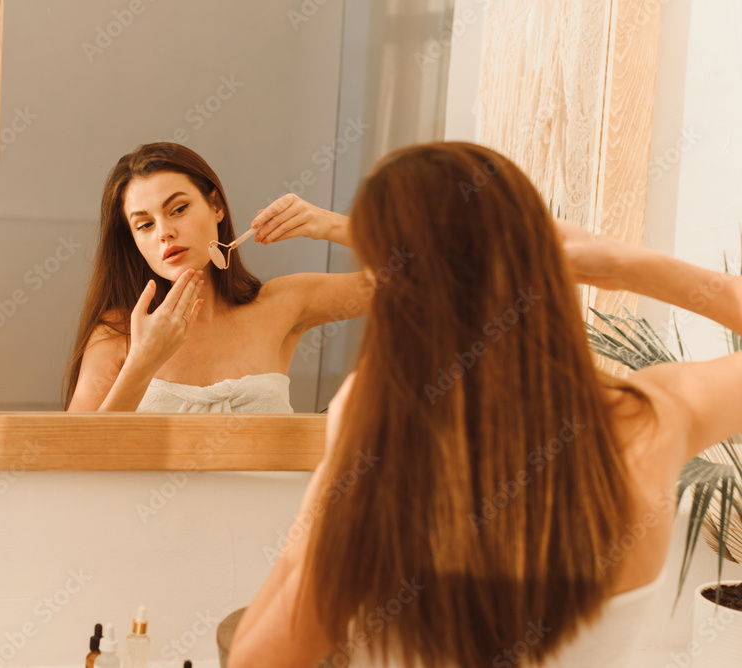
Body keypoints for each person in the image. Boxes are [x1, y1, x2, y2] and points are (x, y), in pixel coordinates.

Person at [227, 142, 742, 667]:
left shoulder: (382, 458)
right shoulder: (653, 419)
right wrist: (622, 262)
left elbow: (256, 662)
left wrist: (338, 469)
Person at [63, 142, 371, 413]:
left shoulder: (284, 302)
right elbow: (70, 457)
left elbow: (416, 279)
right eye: (144, 225)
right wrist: (142, 362)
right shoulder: (118, 332)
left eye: (179, 209)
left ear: (216, 206)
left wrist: (331, 225)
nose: (164, 233)